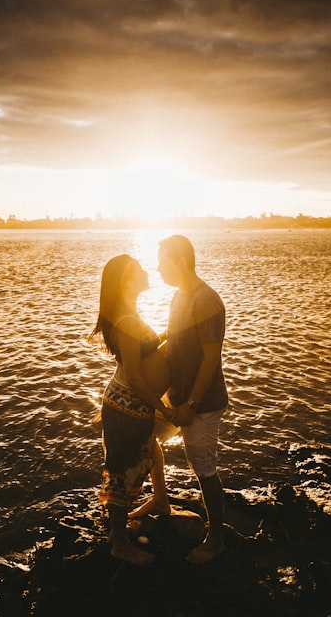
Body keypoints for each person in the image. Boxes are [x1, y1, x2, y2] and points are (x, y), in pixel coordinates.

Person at [133, 234, 228, 564]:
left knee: (203, 468)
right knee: (144, 434)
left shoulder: (207, 301)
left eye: (162, 261)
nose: (158, 268)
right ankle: (161, 499)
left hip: (201, 403)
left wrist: (193, 405)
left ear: (181, 261)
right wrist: (136, 351)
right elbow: (172, 342)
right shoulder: (178, 298)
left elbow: (210, 359)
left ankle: (216, 539)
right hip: (177, 397)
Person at [91, 254, 174, 566]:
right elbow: (138, 380)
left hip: (132, 405)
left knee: (148, 449)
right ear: (126, 280)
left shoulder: (129, 314)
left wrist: (173, 332)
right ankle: (120, 542)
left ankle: (161, 500)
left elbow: (145, 349)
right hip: (128, 405)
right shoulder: (125, 321)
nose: (145, 271)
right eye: (138, 269)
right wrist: (162, 409)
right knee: (122, 468)